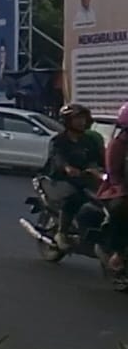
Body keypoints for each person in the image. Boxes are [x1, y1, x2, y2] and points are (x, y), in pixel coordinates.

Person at [43, 104, 105, 246]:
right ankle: (62, 232)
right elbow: (57, 157)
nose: (81, 122)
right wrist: (67, 167)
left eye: (83, 118)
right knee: (75, 198)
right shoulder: (59, 140)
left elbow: (100, 159)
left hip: (85, 178)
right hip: (61, 179)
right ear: (67, 121)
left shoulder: (89, 141)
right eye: (77, 118)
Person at [96, 104, 128, 270]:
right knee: (121, 209)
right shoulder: (117, 146)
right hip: (117, 190)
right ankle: (118, 252)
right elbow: (114, 174)